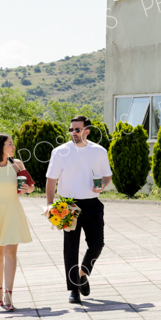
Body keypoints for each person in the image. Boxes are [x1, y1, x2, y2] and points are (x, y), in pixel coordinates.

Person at [45, 116, 112, 304]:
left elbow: (107, 176)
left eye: (77, 129)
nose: (73, 133)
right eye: (71, 129)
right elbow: (51, 180)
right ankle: (74, 289)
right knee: (71, 249)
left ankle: (82, 273)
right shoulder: (60, 152)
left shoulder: (99, 151)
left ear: (86, 131)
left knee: (97, 245)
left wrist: (102, 185)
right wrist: (50, 204)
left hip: (93, 204)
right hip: (68, 205)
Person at [0, 133, 35, 311]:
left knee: (11, 252)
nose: (13, 147)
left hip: (13, 211)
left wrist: (27, 189)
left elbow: (31, 187)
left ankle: (9, 296)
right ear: (0, 146)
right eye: (10, 144)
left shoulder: (17, 164)